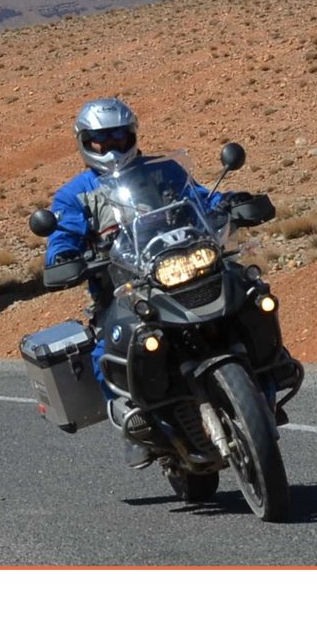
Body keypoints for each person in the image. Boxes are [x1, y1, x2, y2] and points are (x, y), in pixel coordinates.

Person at [42, 99, 235, 465]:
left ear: (132, 135)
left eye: (119, 137)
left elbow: (198, 196)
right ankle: (136, 422)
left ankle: (266, 368)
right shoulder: (75, 192)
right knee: (108, 351)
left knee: (248, 290)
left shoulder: (164, 170)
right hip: (121, 286)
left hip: (179, 268)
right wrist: (63, 256)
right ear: (85, 142)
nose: (111, 147)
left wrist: (230, 201)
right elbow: (63, 233)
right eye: (101, 141)